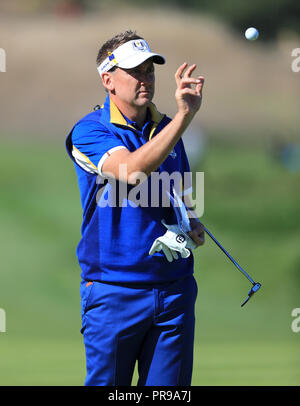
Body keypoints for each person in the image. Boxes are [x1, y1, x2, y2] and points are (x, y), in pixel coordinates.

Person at [65, 30, 205, 386]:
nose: (146, 79)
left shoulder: (166, 129)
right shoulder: (89, 131)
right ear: (107, 79)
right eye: (135, 71)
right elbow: (130, 170)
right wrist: (183, 118)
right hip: (115, 293)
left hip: (174, 290)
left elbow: (179, 192)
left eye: (150, 70)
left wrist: (190, 220)